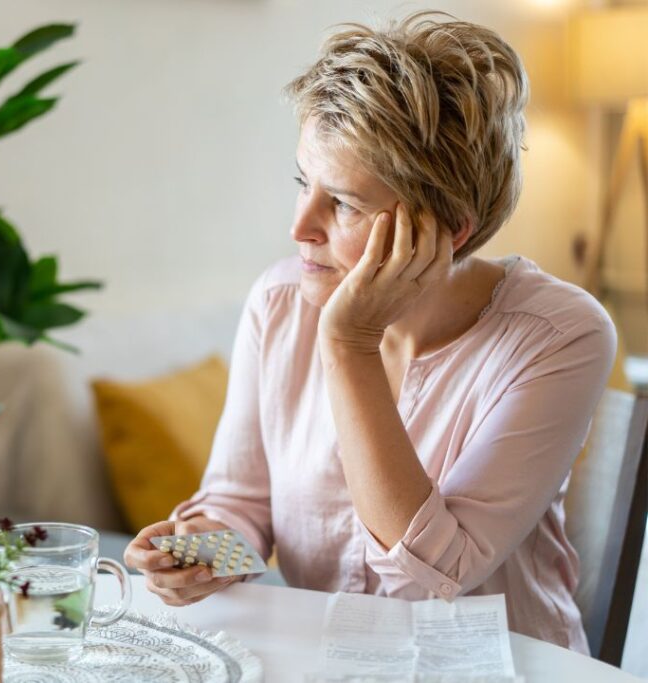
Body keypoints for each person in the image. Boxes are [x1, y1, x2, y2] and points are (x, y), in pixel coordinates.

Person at [123, 12, 616, 653]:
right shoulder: (277, 304)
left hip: (506, 669)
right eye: (304, 183)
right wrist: (197, 551)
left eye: (345, 203)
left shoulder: (560, 336)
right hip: (328, 663)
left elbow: (433, 579)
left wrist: (349, 345)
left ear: (448, 228)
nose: (301, 226)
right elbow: (241, 503)